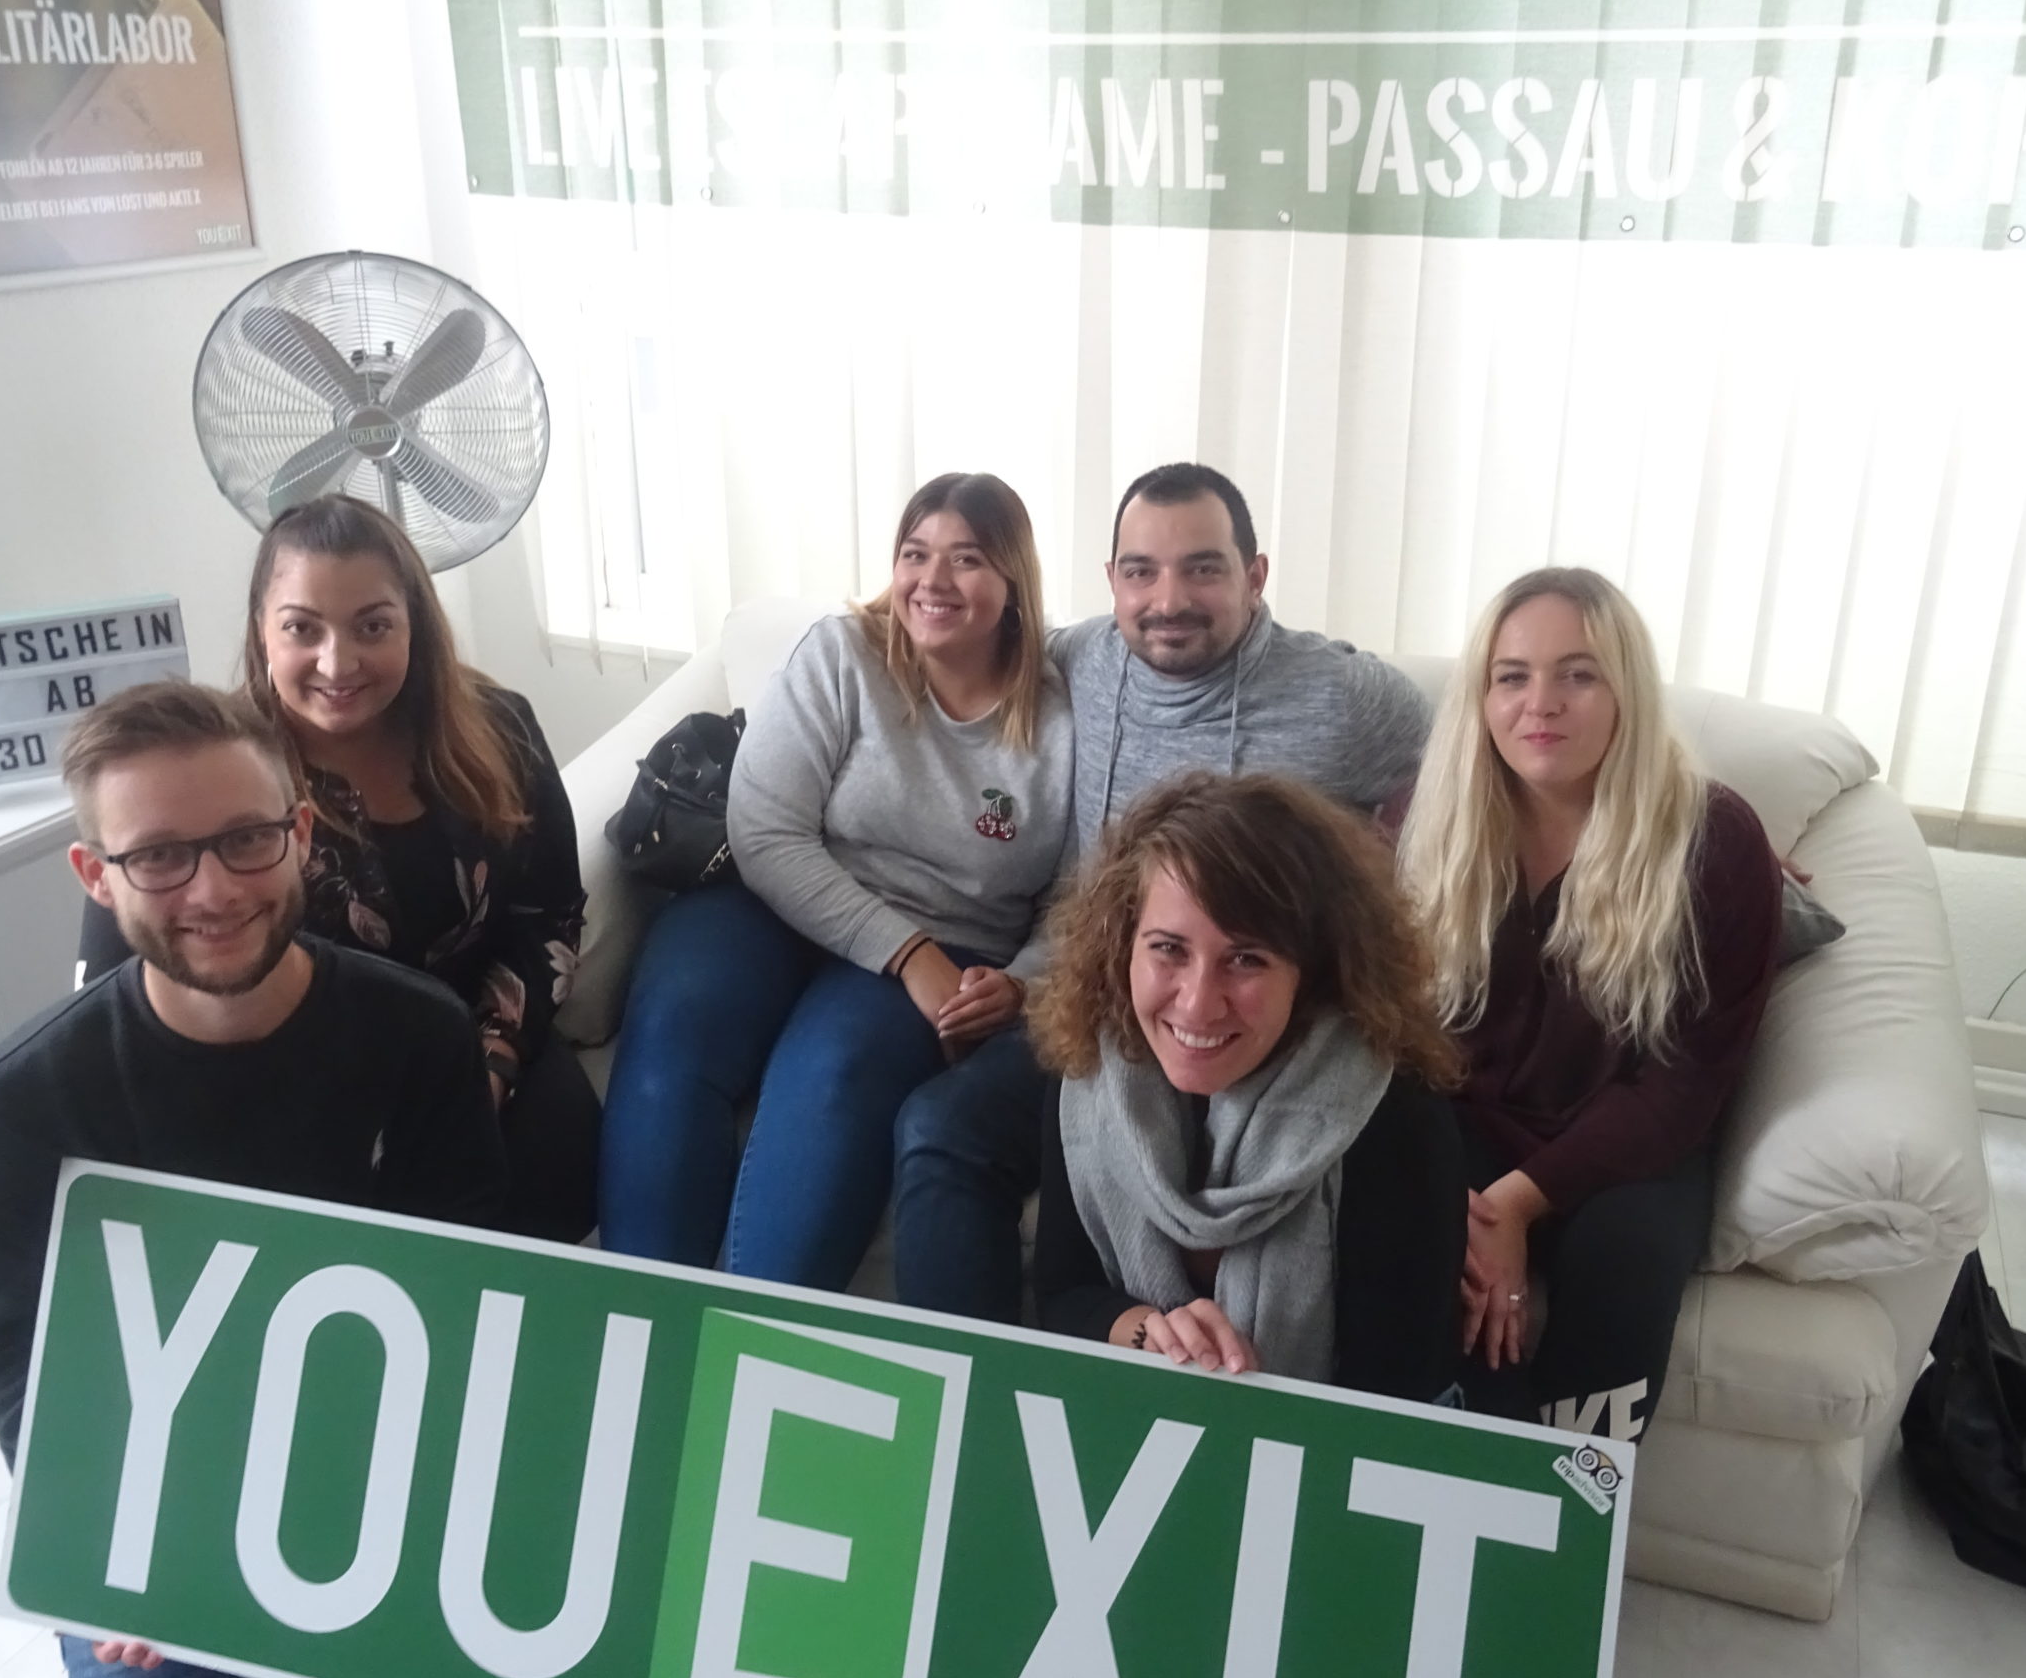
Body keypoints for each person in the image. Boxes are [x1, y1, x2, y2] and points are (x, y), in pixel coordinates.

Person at [0, 681, 503, 1678]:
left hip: (388, 1451)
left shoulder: (419, 1034)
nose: (213, 889)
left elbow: (468, 1280)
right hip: (173, 1498)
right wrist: (105, 1525)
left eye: (246, 838)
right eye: (158, 855)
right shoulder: (14, 1105)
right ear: (95, 877)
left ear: (300, 836)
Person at [893, 461, 1434, 1322]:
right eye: (1141, 572)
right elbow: (953, 651)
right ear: (1111, 581)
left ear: (1255, 576)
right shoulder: (1077, 661)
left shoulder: (1346, 699)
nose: (1168, 599)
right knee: (941, 1130)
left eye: (1203, 569)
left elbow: (1470, 779)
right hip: (1099, 1003)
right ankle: (966, 1390)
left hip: (1258, 1017)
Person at [76, 496, 596, 1243]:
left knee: (556, 1160)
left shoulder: (499, 726)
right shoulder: (213, 769)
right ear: (261, 629)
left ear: (415, 624)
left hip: (475, 1040)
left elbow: (549, 914)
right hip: (281, 1071)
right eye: (302, 628)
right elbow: (118, 981)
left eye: (372, 626)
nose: (337, 662)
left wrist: (487, 1062)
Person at [599, 472, 1073, 1288]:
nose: (932, 580)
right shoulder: (844, 653)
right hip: (778, 900)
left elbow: (1082, 894)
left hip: (954, 936)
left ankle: (753, 1340)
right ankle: (636, 1319)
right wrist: (906, 953)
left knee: (832, 1078)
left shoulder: (1065, 715)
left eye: (966, 559)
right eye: (915, 554)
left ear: (1013, 581)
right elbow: (763, 829)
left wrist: (1022, 983)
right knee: (677, 1021)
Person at [1398, 566, 1783, 1443]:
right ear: (1481, 696)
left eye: (1579, 674)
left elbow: (1684, 1087)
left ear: (1626, 693)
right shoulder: (1423, 818)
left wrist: (1517, 1205)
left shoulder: (1715, 840)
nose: (1542, 703)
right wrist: (1477, 1210)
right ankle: (1454, 1470)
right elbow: (1390, 1028)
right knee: (1414, 1225)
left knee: (1627, 1259)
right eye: (1512, 676)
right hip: (1462, 1121)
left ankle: (1576, 1502)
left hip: (1634, 1141)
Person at [1029, 773, 1466, 1398]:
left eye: (1246, 960)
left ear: (1312, 972)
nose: (1197, 1004)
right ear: (1122, 945)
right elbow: (1064, 1293)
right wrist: (1151, 1334)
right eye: (1168, 949)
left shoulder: (1398, 1116)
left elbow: (1397, 1388)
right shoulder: (1090, 1073)